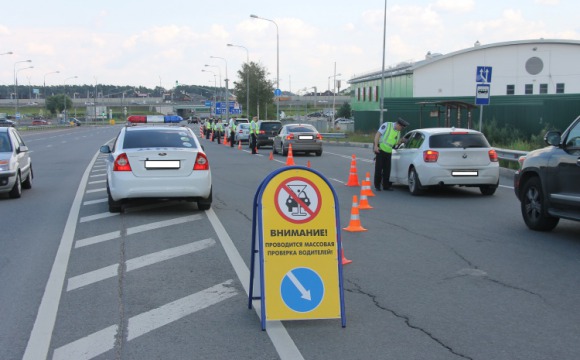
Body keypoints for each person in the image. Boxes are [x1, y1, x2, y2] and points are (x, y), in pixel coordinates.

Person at [373, 117, 409, 191]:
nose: (401, 129)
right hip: (380, 150)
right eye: (401, 128)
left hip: (389, 151)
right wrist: (376, 146)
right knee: (379, 169)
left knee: (387, 170)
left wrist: (401, 141)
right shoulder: (387, 125)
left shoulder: (398, 132)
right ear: (398, 125)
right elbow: (377, 135)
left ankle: (386, 186)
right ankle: (377, 186)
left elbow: (395, 143)